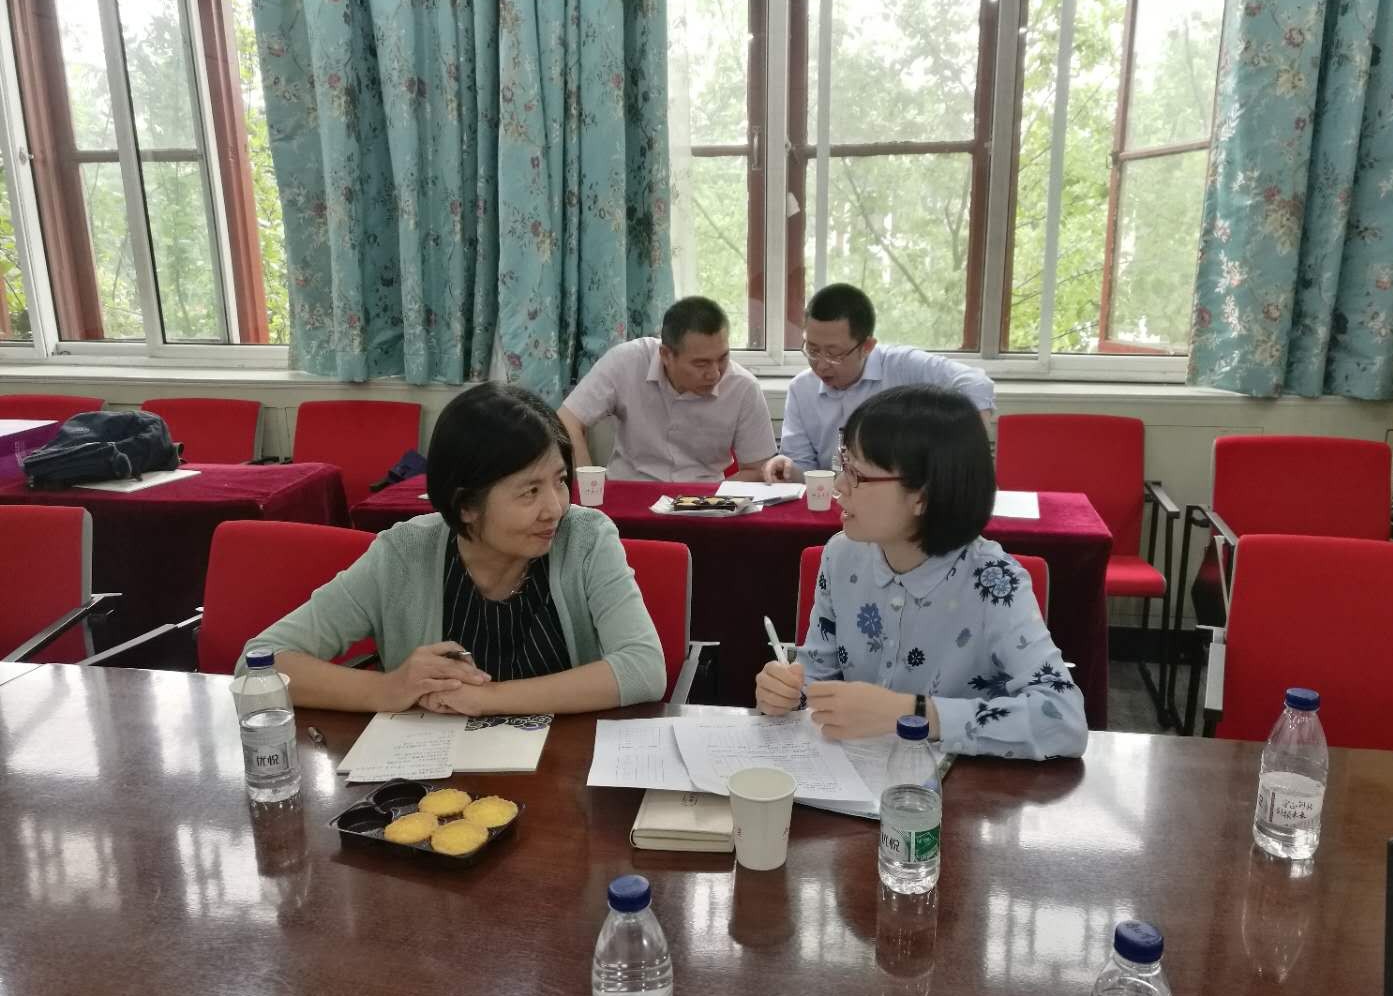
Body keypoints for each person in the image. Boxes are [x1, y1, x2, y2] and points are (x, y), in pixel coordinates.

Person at [248, 383, 666, 715]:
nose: (555, 508)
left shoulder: (585, 537)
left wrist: (488, 698)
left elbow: (643, 668)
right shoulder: (404, 553)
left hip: (563, 766)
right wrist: (386, 688)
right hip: (433, 774)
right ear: (466, 505)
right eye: (529, 492)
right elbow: (261, 662)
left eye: (559, 481)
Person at [755, 384, 1086, 761]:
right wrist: (785, 693)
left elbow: (1065, 720)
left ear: (923, 497)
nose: (839, 486)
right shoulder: (841, 556)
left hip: (958, 786)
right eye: (842, 464)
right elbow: (815, 678)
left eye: (857, 474)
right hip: (855, 778)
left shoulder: (993, 582)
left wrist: (911, 713)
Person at [763, 283, 996, 483]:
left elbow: (976, 384)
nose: (821, 365)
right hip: (835, 502)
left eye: (834, 354)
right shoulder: (801, 389)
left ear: (867, 346)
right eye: (812, 350)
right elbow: (805, 470)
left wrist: (964, 453)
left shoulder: (902, 367)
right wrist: (789, 470)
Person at [559, 296, 777, 482]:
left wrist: (717, 500)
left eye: (722, 358)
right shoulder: (627, 362)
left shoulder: (743, 388)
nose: (715, 374)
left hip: (704, 502)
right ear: (666, 355)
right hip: (630, 491)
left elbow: (758, 469)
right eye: (701, 364)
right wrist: (587, 492)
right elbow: (567, 420)